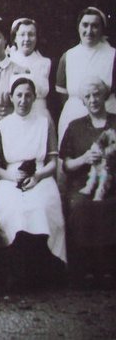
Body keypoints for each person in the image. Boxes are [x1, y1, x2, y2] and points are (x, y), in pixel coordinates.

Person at [0, 77, 66, 291]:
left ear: (34, 97)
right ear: (11, 98)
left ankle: (42, 270)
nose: (23, 100)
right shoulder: (2, 126)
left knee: (42, 205)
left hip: (40, 174)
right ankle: (16, 272)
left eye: (28, 95)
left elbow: (53, 161)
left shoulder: (44, 122)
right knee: (12, 208)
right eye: (19, 95)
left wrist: (38, 177)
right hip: (10, 176)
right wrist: (10, 176)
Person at [60, 77, 116, 288]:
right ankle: (87, 267)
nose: (93, 100)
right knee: (80, 206)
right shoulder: (75, 127)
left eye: (97, 94)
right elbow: (66, 165)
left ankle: (109, 267)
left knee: (110, 205)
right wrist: (84, 159)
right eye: (88, 96)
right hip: (83, 183)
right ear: (83, 101)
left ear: (105, 96)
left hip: (113, 181)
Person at [56, 7, 116, 144]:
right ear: (78, 27)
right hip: (74, 114)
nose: (89, 31)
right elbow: (62, 95)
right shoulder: (68, 56)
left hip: (107, 118)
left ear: (102, 29)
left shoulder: (112, 55)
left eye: (95, 26)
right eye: (85, 25)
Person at [8, 18, 51, 116]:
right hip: (13, 114)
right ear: (15, 38)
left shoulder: (45, 63)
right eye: (22, 35)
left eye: (31, 34)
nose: (26, 39)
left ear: (36, 37)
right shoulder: (8, 62)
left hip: (39, 113)